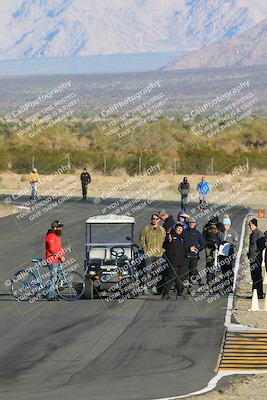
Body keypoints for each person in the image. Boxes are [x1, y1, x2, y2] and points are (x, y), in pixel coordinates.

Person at [162, 223, 197, 300]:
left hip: (181, 261)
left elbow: (182, 249)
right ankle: (165, 294)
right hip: (173, 261)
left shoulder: (182, 238)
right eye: (178, 228)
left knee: (180, 278)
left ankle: (179, 294)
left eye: (181, 228)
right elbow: (165, 245)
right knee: (171, 277)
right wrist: (168, 235)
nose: (179, 229)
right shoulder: (171, 236)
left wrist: (190, 249)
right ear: (175, 229)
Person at [139, 213, 166, 294]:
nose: (155, 220)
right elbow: (141, 240)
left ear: (159, 220)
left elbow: (164, 241)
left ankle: (154, 287)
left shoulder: (162, 230)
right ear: (151, 219)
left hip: (158, 254)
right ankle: (145, 287)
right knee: (148, 271)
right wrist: (145, 249)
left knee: (156, 272)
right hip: (149, 254)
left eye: (156, 219)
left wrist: (162, 250)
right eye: (153, 218)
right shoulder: (146, 229)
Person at [183, 217, 205, 290]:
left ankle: (190, 283)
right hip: (185, 255)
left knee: (193, 271)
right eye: (190, 222)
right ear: (188, 223)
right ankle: (184, 284)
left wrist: (198, 249)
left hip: (194, 256)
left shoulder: (197, 233)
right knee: (185, 270)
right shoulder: (184, 232)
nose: (191, 224)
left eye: (193, 222)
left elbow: (202, 244)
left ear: (195, 224)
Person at [202, 215, 224, 288]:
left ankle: (218, 281)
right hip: (209, 248)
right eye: (211, 224)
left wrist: (220, 245)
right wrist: (209, 244)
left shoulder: (220, 227)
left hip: (218, 248)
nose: (212, 226)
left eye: (214, 224)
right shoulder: (206, 227)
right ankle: (209, 281)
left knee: (218, 265)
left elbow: (223, 237)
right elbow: (203, 238)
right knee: (209, 263)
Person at [46, 220, 65, 301]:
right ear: (55, 228)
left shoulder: (57, 236)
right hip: (52, 259)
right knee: (53, 277)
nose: (61, 228)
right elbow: (52, 249)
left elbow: (59, 248)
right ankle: (50, 295)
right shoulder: (50, 236)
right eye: (59, 227)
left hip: (57, 259)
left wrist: (63, 255)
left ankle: (54, 294)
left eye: (61, 227)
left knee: (56, 277)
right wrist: (60, 256)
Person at [218, 217, 238, 292]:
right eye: (224, 225)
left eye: (226, 224)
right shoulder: (221, 232)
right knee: (224, 271)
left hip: (231, 254)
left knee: (230, 271)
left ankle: (231, 286)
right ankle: (226, 287)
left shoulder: (233, 232)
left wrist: (230, 243)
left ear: (229, 224)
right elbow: (218, 241)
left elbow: (236, 242)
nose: (225, 226)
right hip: (222, 254)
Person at [247, 218, 265, 299]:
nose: (251, 227)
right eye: (250, 225)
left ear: (255, 225)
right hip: (252, 258)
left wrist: (256, 252)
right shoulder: (252, 234)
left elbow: (262, 246)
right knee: (253, 276)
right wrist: (249, 254)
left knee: (257, 275)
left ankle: (260, 294)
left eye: (252, 225)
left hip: (257, 258)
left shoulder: (259, 234)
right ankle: (254, 293)